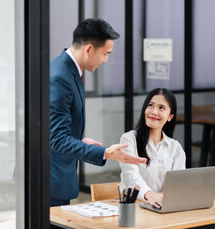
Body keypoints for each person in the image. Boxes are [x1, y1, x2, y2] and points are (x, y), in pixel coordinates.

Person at [50, 18, 147, 207]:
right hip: (49, 179)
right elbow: (57, 139)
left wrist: (79, 140)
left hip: (53, 177)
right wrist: (106, 153)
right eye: (105, 54)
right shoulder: (60, 77)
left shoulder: (65, 68)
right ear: (88, 49)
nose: (106, 60)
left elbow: (50, 129)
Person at [119, 88, 186, 209]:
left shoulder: (175, 148)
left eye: (161, 108)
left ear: (170, 116)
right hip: (134, 207)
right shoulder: (129, 139)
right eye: (151, 105)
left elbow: (178, 184)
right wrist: (148, 194)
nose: (154, 112)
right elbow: (131, 176)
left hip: (162, 207)